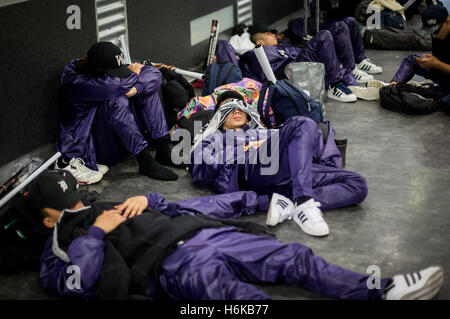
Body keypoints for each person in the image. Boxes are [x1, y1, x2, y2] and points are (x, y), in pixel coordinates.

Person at [25, 170, 444, 300]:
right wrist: (97, 231)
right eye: (70, 205)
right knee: (247, 305)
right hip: (175, 263)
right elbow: (75, 285)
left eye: (81, 197)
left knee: (295, 259)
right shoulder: (58, 246)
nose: (82, 205)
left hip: (205, 232)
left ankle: (382, 291)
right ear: (48, 220)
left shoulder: (102, 203)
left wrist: (147, 197)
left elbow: (175, 206)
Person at [189, 91, 368, 236]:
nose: (236, 110)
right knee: (302, 122)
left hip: (289, 171)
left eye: (240, 107)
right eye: (229, 108)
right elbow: (200, 170)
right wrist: (245, 148)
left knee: (357, 184)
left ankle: (289, 202)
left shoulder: (265, 133)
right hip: (250, 171)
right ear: (219, 117)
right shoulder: (213, 138)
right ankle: (304, 201)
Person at [55, 42, 178, 184]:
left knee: (146, 90)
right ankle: (145, 161)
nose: (116, 75)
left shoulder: (102, 67)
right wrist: (135, 75)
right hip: (94, 147)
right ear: (99, 70)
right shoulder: (76, 81)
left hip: (118, 137)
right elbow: (113, 87)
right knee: (116, 100)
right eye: (112, 73)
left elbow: (154, 73)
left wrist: (136, 88)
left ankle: (163, 149)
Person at [237, 22, 380, 102]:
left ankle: (352, 70)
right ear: (259, 41)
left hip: (308, 64)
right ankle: (335, 85)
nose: (274, 35)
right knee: (324, 35)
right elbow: (262, 77)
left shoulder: (281, 46)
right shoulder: (256, 54)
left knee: (344, 24)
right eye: (269, 34)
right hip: (293, 73)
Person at [390, 5, 450, 101]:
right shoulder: (438, 35)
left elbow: (439, 64)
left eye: (436, 31)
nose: (434, 35)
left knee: (445, 102)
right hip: (445, 74)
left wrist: (437, 64)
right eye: (431, 31)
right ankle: (392, 86)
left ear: (448, 21)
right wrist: (429, 62)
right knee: (412, 60)